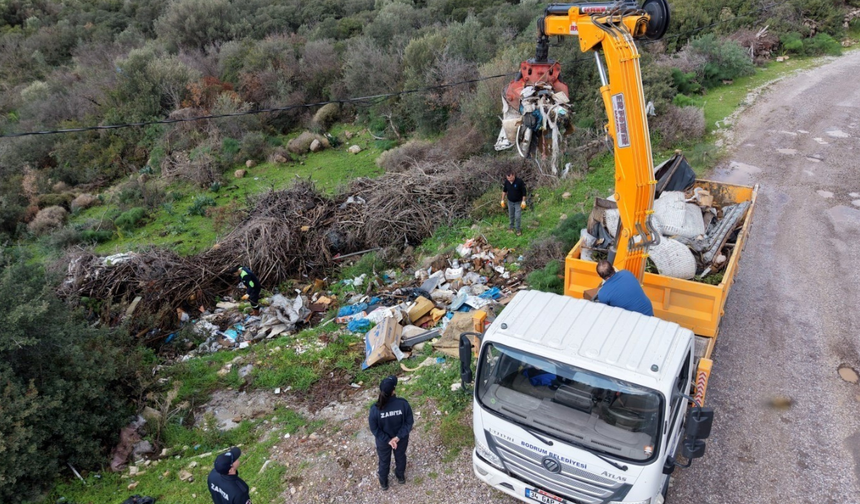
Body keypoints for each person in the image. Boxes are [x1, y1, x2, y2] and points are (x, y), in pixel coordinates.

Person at [368, 375, 414, 491]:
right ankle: (400, 477)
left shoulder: (375, 409)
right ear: (394, 390)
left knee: (384, 460)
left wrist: (388, 440)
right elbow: (409, 423)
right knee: (400, 456)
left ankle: (384, 483)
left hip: (383, 441)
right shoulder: (403, 404)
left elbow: (375, 429)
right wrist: (397, 437)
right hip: (401, 439)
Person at [501, 169, 527, 236]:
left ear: (514, 175)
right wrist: (502, 200)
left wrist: (523, 201)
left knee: (517, 216)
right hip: (510, 202)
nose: (509, 179)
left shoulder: (519, 182)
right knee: (511, 215)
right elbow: (504, 191)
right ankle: (511, 227)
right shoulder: (507, 182)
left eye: (511, 178)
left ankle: (518, 229)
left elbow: (524, 192)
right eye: (508, 178)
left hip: (518, 202)